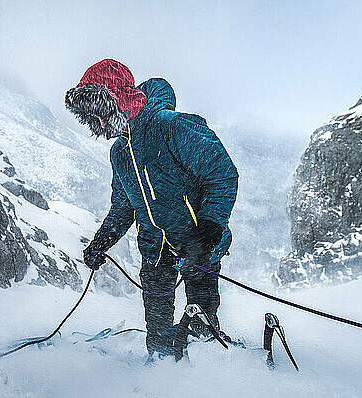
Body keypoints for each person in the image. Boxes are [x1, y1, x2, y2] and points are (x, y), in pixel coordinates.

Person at [65, 59, 238, 358]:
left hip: (198, 242)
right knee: (157, 335)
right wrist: (101, 242)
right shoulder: (120, 153)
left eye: (101, 114)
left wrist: (208, 232)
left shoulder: (171, 126)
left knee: (201, 326)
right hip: (155, 249)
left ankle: (208, 372)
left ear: (117, 99)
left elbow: (221, 174)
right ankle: (160, 373)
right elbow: (123, 208)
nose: (101, 125)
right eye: (94, 118)